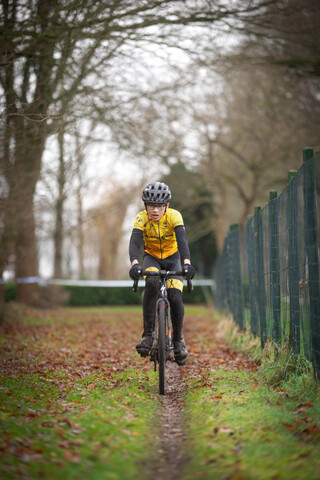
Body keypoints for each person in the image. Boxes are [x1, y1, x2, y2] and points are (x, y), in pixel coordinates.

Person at [128, 181, 195, 366]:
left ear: (167, 206)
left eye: (159, 206)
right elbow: (134, 243)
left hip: (173, 258)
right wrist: (134, 264)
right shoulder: (141, 219)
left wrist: (187, 264)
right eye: (151, 206)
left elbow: (183, 242)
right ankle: (148, 335)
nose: (155, 210)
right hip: (152, 258)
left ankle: (178, 339)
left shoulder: (175, 216)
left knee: (175, 296)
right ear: (145, 206)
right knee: (150, 281)